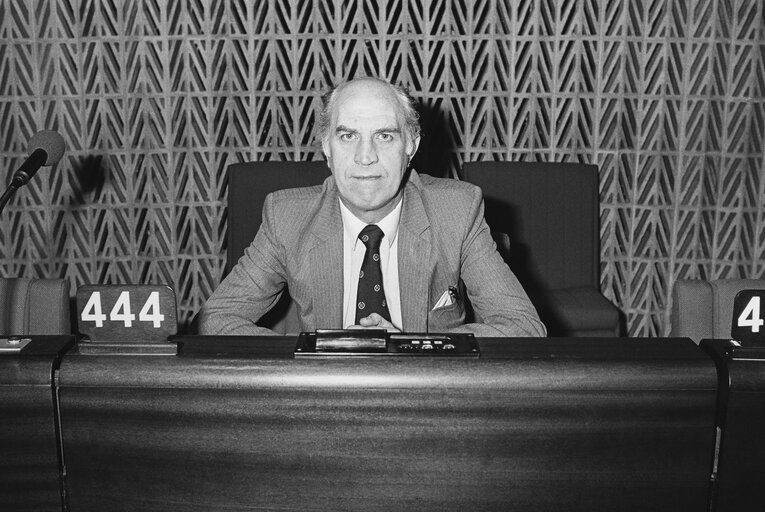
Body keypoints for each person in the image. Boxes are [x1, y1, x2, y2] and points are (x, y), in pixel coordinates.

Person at [199, 76, 545, 337]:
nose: (366, 157)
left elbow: (523, 326)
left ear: (411, 144)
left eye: (385, 136)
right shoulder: (287, 217)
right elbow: (218, 317)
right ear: (327, 148)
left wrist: (410, 346)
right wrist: (312, 353)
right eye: (348, 136)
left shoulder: (457, 210)